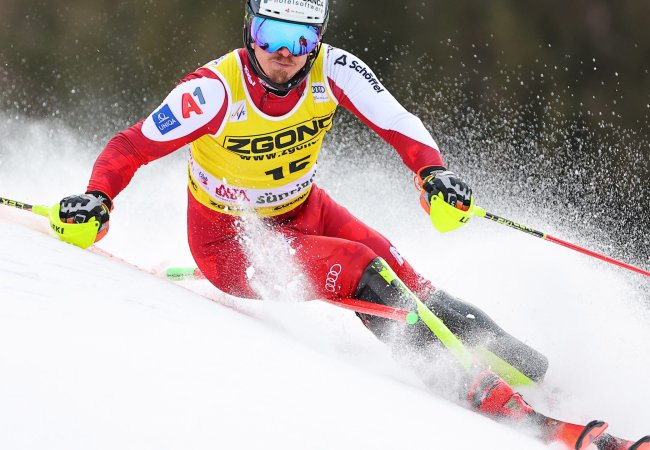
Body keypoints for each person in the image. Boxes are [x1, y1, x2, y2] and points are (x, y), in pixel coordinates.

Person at [57, 1, 607, 448]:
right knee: (366, 272)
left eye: (298, 41)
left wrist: (433, 173)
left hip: (304, 209)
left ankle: (541, 379)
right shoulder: (214, 92)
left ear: (316, 39)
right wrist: (97, 199)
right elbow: (130, 145)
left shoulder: (334, 69)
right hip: (232, 242)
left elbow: (398, 121)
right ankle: (475, 394)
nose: (281, 56)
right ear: (250, 27)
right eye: (270, 35)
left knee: (412, 284)